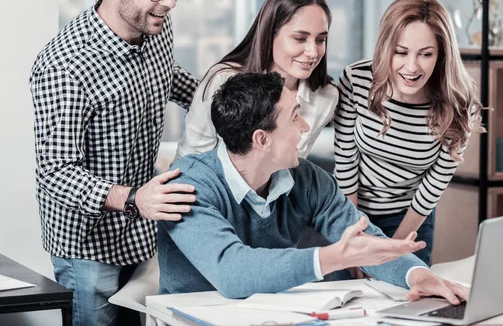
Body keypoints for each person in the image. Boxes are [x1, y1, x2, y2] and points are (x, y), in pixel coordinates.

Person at [158, 72, 468, 305]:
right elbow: (232, 272)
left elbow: (363, 240)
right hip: (196, 316)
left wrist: (419, 276)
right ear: (262, 140)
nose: (305, 127)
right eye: (294, 118)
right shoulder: (188, 184)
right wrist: (335, 257)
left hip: (268, 312)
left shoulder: (304, 178)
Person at [29, 0, 198, 324]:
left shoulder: (155, 25)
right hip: (87, 246)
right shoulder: (64, 65)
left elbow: (166, 76)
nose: (170, 2)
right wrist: (135, 199)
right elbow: (56, 172)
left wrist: (216, 97)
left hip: (141, 233)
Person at [334, 0, 484, 267]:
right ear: (385, 48)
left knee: (404, 300)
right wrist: (356, 238)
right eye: (401, 52)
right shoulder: (356, 80)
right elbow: (345, 162)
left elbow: (433, 185)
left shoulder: (460, 104)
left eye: (425, 54)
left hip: (410, 219)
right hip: (350, 213)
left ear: (442, 54)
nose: (412, 67)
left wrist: (394, 248)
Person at [174, 0, 338, 161]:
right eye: (300, 39)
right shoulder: (223, 80)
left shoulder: (326, 96)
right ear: (270, 33)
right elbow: (190, 161)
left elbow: (293, 166)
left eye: (321, 40)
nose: (313, 52)